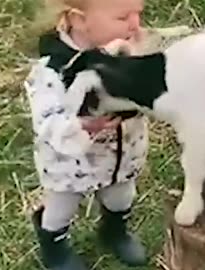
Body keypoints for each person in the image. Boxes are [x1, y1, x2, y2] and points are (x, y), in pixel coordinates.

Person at [26, 0, 149, 269]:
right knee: (61, 209)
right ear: (79, 20)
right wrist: (79, 127)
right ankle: (54, 245)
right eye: (123, 17)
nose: (135, 25)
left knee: (121, 197)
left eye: (139, 13)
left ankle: (114, 231)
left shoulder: (132, 49)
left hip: (122, 154)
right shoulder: (54, 70)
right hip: (70, 165)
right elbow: (47, 121)